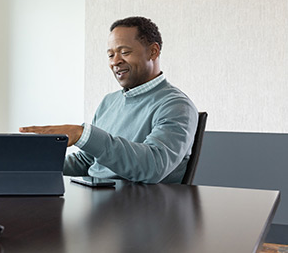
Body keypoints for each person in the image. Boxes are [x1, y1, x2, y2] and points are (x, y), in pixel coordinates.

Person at [20, 16, 198, 184]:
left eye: (125, 52)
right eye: (111, 55)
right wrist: (33, 163)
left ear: (153, 51)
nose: (115, 62)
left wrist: (84, 135)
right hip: (98, 203)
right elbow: (88, 161)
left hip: (140, 209)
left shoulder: (176, 105)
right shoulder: (109, 102)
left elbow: (153, 167)